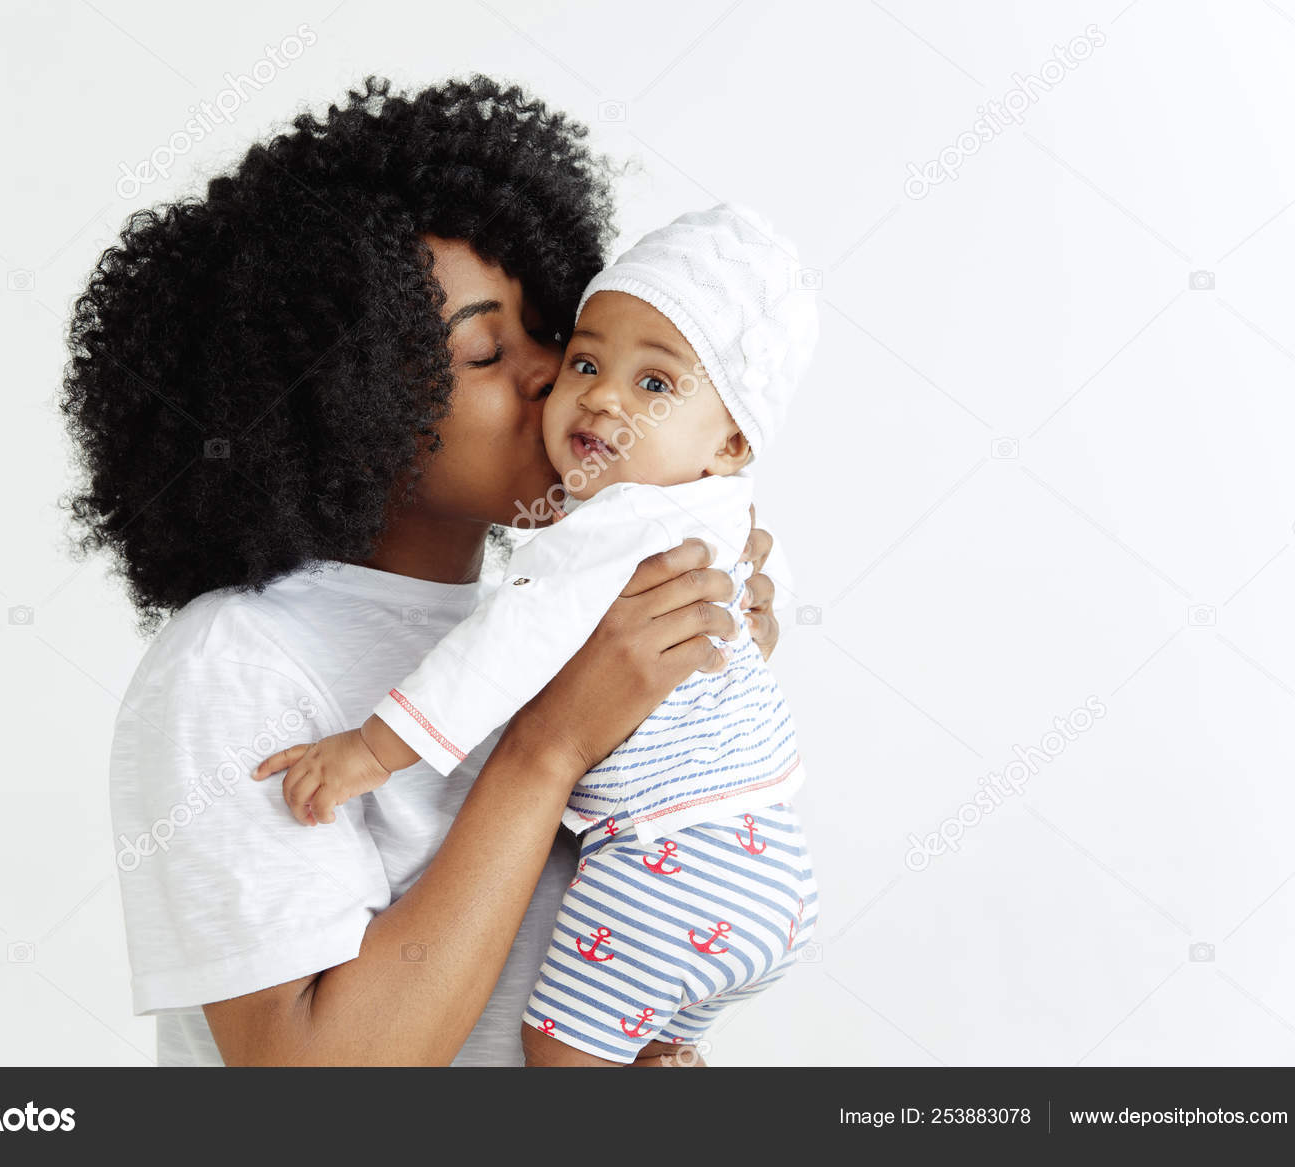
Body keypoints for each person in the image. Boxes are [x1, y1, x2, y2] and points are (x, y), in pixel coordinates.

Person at [64, 76, 787, 1066]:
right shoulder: (239, 665)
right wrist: (548, 748)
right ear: (340, 402)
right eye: (487, 350)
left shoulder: (549, 622)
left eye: (557, 336)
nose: (554, 377)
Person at [251, 204, 821, 1064]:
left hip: (668, 855)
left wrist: (371, 750)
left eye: (653, 384)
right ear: (360, 395)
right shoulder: (717, 508)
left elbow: (498, 649)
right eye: (586, 360)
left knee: (554, 1058)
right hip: (770, 864)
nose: (580, 388)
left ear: (733, 439)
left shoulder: (602, 535)